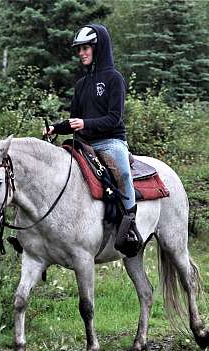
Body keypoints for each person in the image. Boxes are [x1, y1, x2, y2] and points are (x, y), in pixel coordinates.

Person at [43, 24, 142, 256]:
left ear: (99, 48)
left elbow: (114, 118)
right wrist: (55, 128)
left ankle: (130, 225)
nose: (81, 53)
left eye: (86, 48)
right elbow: (74, 120)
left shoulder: (114, 78)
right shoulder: (81, 84)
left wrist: (86, 124)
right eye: (79, 49)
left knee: (124, 173)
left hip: (110, 142)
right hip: (84, 144)